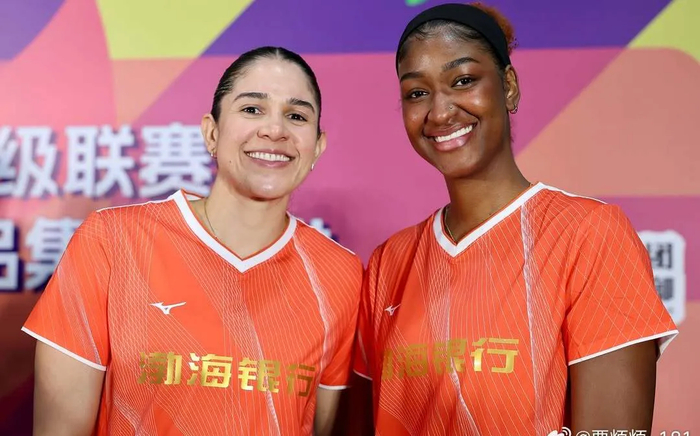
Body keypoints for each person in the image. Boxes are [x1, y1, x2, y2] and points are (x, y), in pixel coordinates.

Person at [349, 3, 678, 435]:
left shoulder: (588, 234)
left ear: (508, 86)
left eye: (463, 81)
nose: (440, 112)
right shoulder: (389, 263)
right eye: (417, 93)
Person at [22, 46, 363, 436]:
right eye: (252, 109)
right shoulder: (112, 242)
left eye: (296, 116)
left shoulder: (340, 274)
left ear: (317, 146)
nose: (275, 130)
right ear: (211, 133)